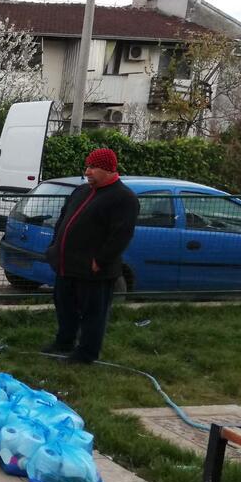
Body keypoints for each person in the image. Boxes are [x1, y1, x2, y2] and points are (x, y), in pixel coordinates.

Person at [44, 148, 139, 364]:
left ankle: (86, 353)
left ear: (108, 169)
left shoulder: (124, 198)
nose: (87, 171)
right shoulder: (82, 191)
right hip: (67, 265)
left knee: (93, 314)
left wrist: (101, 260)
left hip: (94, 269)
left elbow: (121, 235)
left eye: (92, 167)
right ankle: (64, 341)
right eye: (87, 166)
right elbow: (63, 220)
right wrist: (54, 247)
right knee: (64, 306)